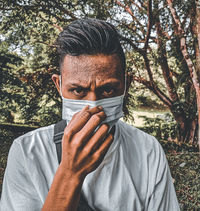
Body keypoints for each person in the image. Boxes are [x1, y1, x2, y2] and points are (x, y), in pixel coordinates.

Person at [0, 18, 180, 211]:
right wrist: (70, 173)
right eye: (78, 91)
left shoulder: (147, 151)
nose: (94, 106)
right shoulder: (28, 152)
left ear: (125, 85)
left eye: (108, 90)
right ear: (59, 85)